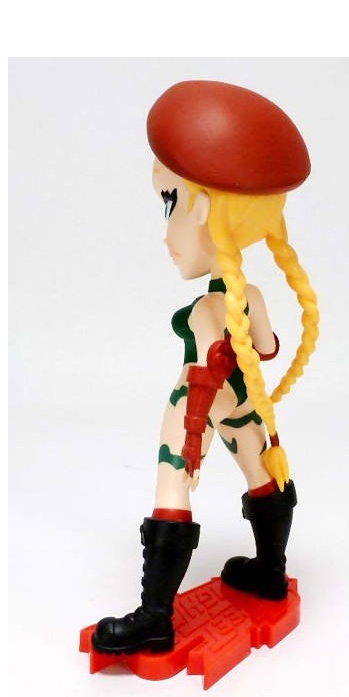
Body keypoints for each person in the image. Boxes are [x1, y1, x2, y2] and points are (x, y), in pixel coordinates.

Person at [91, 80, 319, 655]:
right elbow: (266, 349)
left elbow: (203, 376)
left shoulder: (203, 311)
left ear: (205, 211)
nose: (166, 233)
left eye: (171, 204)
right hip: (241, 404)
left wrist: (191, 436)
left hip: (196, 409)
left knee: (173, 482)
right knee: (263, 472)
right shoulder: (251, 299)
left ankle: (155, 615)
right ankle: (270, 571)